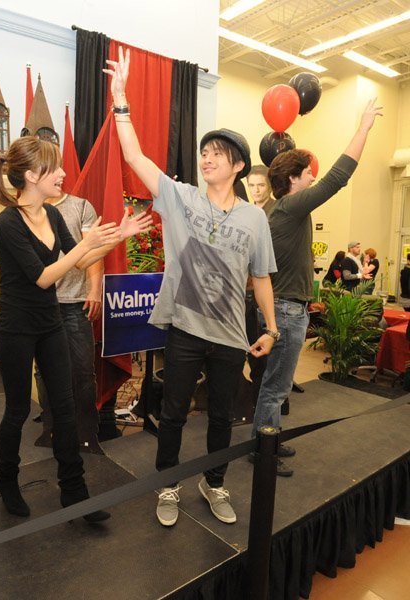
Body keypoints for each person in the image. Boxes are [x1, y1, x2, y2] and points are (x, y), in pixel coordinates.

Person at [104, 47, 277, 527]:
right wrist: (121, 101)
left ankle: (214, 482)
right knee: (174, 413)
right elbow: (134, 156)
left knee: (222, 417)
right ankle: (168, 483)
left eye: (217, 154)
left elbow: (261, 276)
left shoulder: (254, 219)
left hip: (231, 335)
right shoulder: (181, 198)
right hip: (184, 328)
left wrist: (272, 328)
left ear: (238, 166)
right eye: (204, 153)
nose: (206, 158)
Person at [0, 136, 151, 520]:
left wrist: (118, 236)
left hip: (50, 324)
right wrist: (85, 243)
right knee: (16, 410)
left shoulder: (53, 215)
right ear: (32, 175)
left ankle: (75, 493)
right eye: (54, 167)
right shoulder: (8, 222)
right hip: (15, 329)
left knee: (65, 408)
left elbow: (79, 261)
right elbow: (44, 277)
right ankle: (6, 480)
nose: (63, 173)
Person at [251, 99, 383, 477]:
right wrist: (363, 128)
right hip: (285, 310)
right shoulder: (290, 207)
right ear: (293, 179)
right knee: (275, 386)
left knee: (274, 384)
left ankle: (269, 438)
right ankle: (263, 450)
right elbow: (338, 178)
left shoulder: (281, 211)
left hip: (283, 307)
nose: (313, 177)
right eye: (308, 173)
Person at [34, 192, 104, 454]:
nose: (61, 174)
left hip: (75, 303)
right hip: (41, 305)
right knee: (43, 372)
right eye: (54, 171)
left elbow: (90, 252)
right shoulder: (25, 210)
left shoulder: (81, 206)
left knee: (83, 371)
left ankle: (86, 434)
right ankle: (51, 429)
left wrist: (94, 289)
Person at [244, 166, 275, 405]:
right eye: (252, 185)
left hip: (267, 291)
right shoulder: (245, 212)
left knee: (265, 358)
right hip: (244, 292)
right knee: (249, 351)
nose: (255, 190)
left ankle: (264, 405)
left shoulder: (276, 212)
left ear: (269, 186)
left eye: (260, 185)